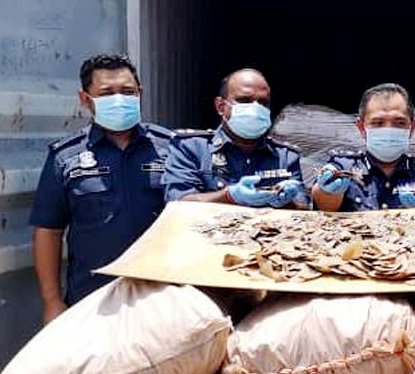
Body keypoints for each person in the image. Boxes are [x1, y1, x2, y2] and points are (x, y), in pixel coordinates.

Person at [30, 54, 172, 322]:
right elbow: (48, 231)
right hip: (93, 301)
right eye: (107, 93)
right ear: (86, 100)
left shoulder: (170, 148)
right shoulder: (65, 157)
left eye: (127, 92)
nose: (119, 99)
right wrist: (52, 301)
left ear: (140, 94)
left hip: (163, 297)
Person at [162, 68, 308, 208]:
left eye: (263, 102)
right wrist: (228, 196)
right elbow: (178, 202)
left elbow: (304, 208)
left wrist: (287, 201)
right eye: (244, 100)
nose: (255, 108)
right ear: (221, 106)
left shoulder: (285, 156)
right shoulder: (191, 148)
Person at [312, 83, 415, 211]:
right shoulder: (343, 165)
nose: (389, 130)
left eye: (400, 123)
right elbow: (323, 205)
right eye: (378, 123)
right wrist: (328, 191)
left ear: (412, 127)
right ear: (361, 127)